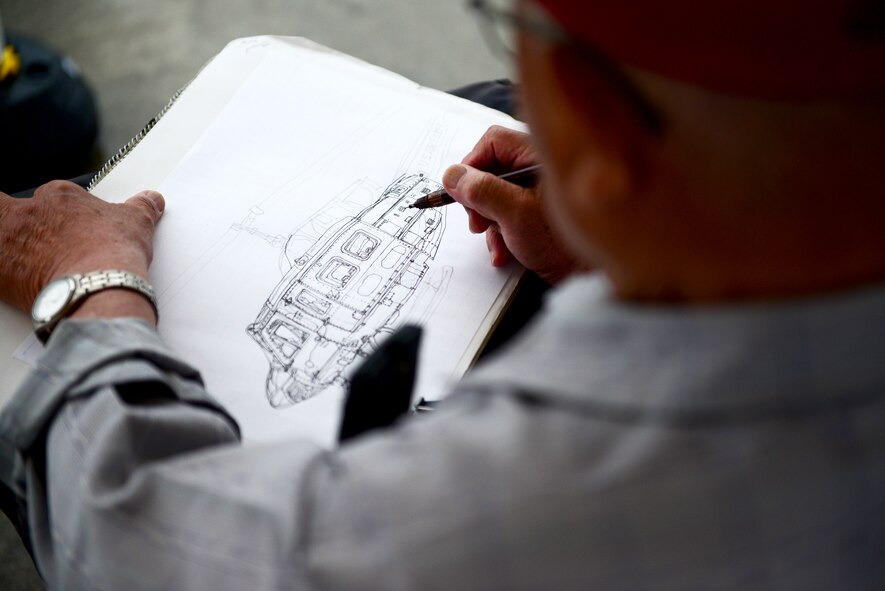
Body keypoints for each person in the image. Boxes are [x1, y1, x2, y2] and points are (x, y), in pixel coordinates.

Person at [1, 0, 884, 588]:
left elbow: (144, 542)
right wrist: (633, 233)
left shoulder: (520, 498)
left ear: (594, 117)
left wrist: (88, 280)